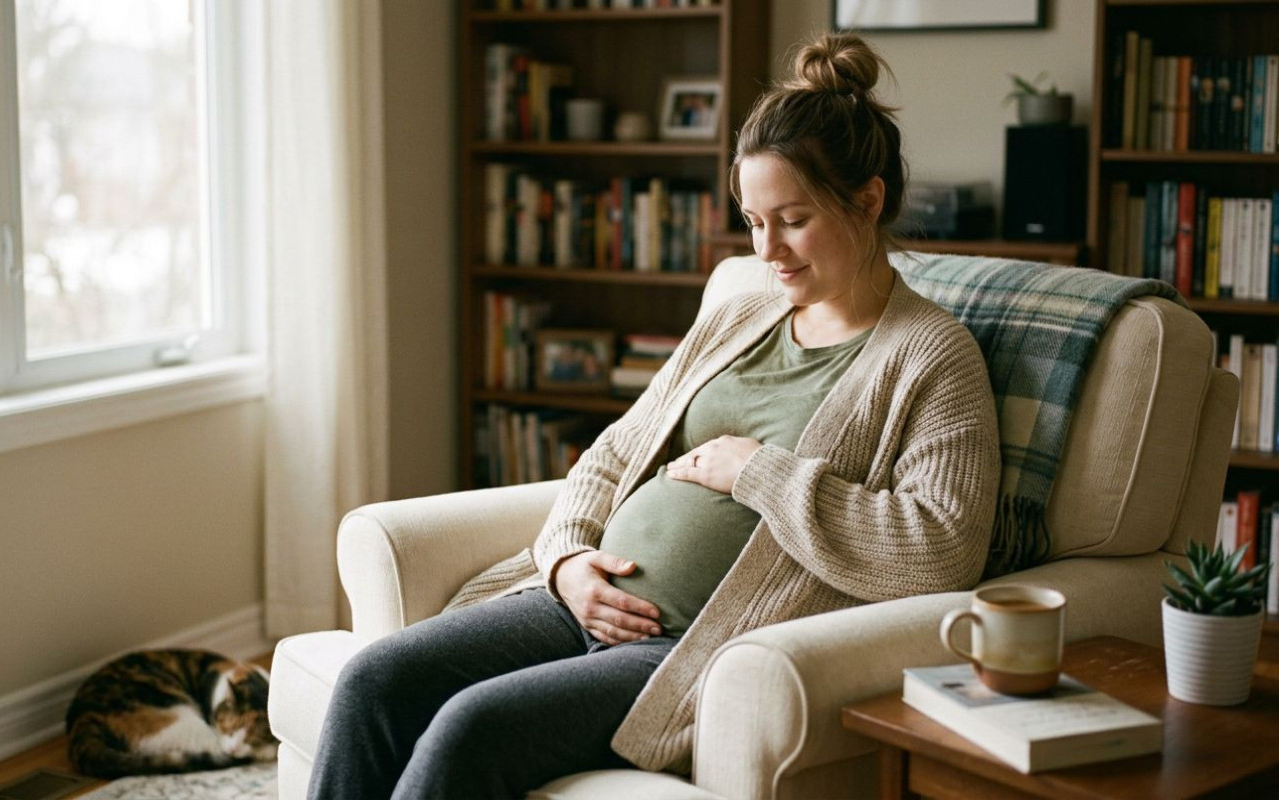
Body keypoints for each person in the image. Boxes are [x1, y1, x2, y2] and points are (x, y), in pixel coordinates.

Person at [307, 32, 1000, 799]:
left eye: (792, 220)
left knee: (471, 728)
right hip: (577, 602)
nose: (766, 248)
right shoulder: (742, 312)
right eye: (752, 219)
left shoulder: (931, 356)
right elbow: (612, 453)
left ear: (867, 200)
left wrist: (758, 472)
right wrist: (568, 560)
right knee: (374, 680)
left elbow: (942, 549)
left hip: (686, 645)